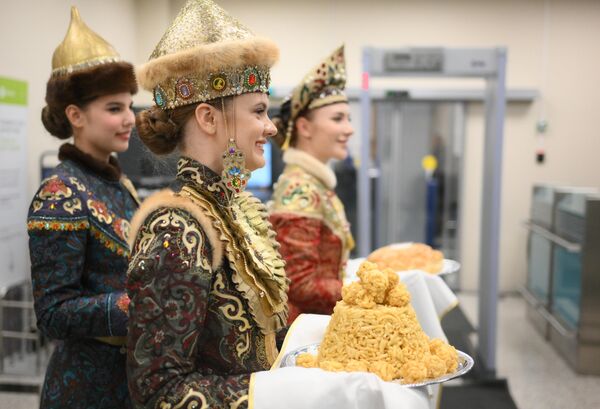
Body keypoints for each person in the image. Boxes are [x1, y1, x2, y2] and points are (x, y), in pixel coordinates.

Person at [127, 2, 429, 408]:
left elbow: (256, 346)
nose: (271, 127)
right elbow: (158, 392)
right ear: (209, 118)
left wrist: (338, 347)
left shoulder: (234, 209)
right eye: (258, 111)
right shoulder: (176, 228)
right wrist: (283, 392)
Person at [27, 7, 139, 408]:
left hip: (127, 381)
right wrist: (144, 303)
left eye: (129, 106)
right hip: (85, 390)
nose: (130, 119)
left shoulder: (118, 183)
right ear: (75, 115)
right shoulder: (59, 194)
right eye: (114, 108)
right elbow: (54, 313)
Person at [269, 46, 355, 323]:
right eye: (338, 118)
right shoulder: (300, 188)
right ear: (305, 128)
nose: (349, 128)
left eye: (348, 118)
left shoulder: (313, 183)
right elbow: (300, 283)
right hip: (307, 332)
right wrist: (360, 291)